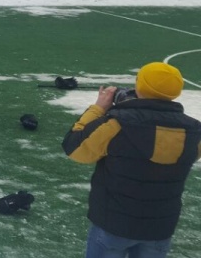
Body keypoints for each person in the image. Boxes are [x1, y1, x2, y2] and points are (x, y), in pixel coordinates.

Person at [62, 62, 201, 257]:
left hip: (113, 224)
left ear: (139, 86)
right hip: (160, 228)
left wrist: (98, 108)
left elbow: (76, 149)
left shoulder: (117, 123)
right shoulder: (194, 131)